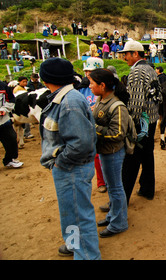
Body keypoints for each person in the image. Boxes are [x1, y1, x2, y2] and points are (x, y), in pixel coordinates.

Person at [39, 58, 100, 260]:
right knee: (70, 212)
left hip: (71, 168)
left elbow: (81, 144)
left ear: (45, 78)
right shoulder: (64, 97)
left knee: (79, 215)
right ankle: (74, 245)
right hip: (68, 167)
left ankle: (88, 256)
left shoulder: (69, 102)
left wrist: (60, 162)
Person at [119, 40, 162, 204]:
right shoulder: (150, 69)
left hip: (140, 124)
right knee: (147, 155)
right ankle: (147, 189)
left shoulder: (136, 72)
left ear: (135, 54)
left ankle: (122, 199)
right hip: (151, 120)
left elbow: (136, 104)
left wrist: (132, 126)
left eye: (126, 54)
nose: (125, 58)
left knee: (131, 161)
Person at [89, 68, 130, 238]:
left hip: (113, 152)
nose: (90, 86)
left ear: (102, 85)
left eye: (92, 83)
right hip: (105, 152)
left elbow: (118, 134)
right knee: (113, 187)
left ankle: (119, 223)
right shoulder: (101, 100)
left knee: (115, 188)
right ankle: (113, 216)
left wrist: (93, 127)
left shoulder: (117, 106)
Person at [77, 57, 107, 193]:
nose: (88, 74)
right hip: (88, 125)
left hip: (105, 125)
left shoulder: (106, 86)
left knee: (107, 153)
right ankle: (101, 181)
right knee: (95, 155)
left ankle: (110, 179)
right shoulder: (82, 89)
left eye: (91, 71)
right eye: (87, 71)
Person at [0, 80, 23, 168]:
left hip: (3, 120)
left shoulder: (2, 86)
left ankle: (9, 160)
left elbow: (11, 100)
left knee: (11, 139)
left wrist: (4, 109)